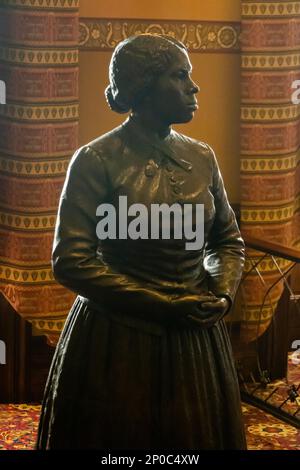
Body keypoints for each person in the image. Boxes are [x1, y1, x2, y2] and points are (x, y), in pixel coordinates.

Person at [37, 34, 246, 450]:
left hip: (194, 336)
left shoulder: (202, 157)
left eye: (190, 75)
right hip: (117, 338)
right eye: (179, 75)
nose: (193, 86)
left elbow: (226, 239)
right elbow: (71, 260)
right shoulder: (95, 160)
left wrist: (221, 293)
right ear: (143, 85)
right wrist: (164, 304)